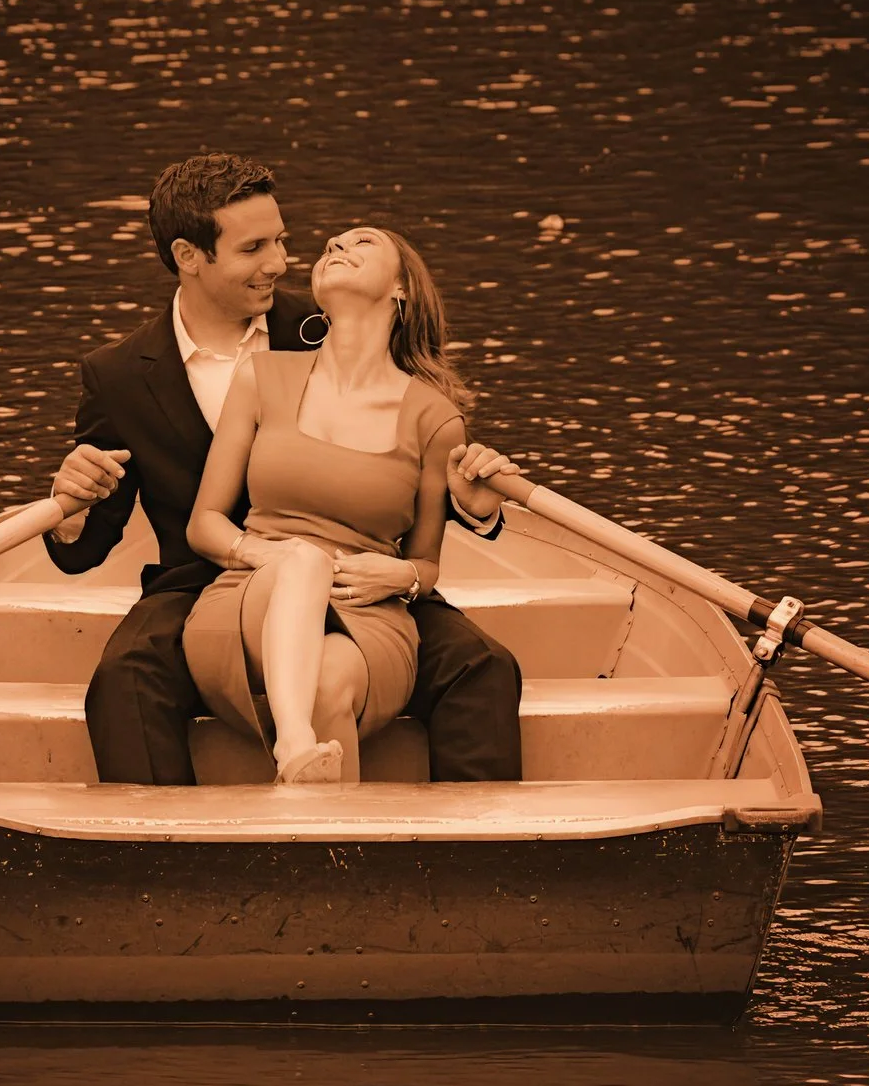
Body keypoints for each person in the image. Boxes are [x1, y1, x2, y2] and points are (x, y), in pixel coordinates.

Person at [44, 153, 525, 785]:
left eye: (281, 240)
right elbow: (89, 544)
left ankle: (480, 856)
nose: (279, 262)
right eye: (253, 248)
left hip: (358, 571)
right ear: (190, 255)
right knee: (121, 682)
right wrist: (70, 506)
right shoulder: (118, 376)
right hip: (202, 580)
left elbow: (414, 461)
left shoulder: (324, 322)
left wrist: (472, 511)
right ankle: (162, 867)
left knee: (483, 664)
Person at [182, 224, 521, 782]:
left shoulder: (434, 418)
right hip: (249, 595)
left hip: (366, 614)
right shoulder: (262, 377)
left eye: (362, 243)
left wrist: (405, 575)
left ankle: (330, 847)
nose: (337, 247)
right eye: (331, 245)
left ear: (402, 288)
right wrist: (277, 556)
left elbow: (426, 565)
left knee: (328, 684)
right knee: (304, 560)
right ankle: (293, 747)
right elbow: (205, 523)